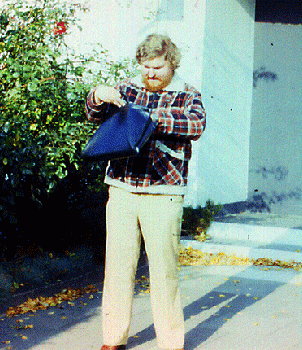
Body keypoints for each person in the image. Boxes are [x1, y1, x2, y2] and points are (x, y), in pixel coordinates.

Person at [85, 33, 206, 350]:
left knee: (164, 273)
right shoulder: (127, 89)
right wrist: (97, 96)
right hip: (122, 190)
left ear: (172, 64)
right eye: (145, 68)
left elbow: (196, 125)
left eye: (157, 68)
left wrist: (149, 119)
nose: (150, 74)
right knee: (117, 269)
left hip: (163, 194)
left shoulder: (187, 95)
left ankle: (170, 344)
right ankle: (113, 340)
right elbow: (95, 117)